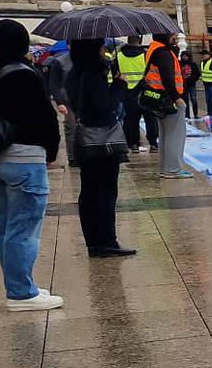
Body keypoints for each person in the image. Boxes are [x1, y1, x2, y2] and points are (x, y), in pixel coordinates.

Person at [0, 20, 62, 309]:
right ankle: (22, 293)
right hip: (24, 158)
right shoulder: (25, 73)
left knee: (4, 226)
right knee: (24, 227)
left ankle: (20, 284)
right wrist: (51, 151)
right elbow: (44, 118)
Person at [60, 37, 133, 258]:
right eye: (100, 46)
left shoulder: (76, 73)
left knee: (90, 191)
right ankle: (106, 241)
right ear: (92, 50)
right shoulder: (93, 74)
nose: (104, 50)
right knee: (105, 191)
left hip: (85, 142)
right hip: (102, 144)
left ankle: (94, 242)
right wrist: (119, 86)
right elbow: (103, 108)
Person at [140, 34, 188, 177]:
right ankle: (173, 168)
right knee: (175, 135)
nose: (175, 37)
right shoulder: (164, 53)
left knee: (166, 134)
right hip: (168, 100)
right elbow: (168, 78)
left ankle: (165, 168)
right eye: (172, 34)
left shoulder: (154, 49)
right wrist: (177, 97)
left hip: (159, 99)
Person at [114, 37, 154, 152]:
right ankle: (153, 143)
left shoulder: (119, 55)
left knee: (131, 119)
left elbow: (115, 73)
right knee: (150, 118)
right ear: (140, 41)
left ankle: (133, 144)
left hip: (127, 91)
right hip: (144, 91)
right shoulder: (146, 55)